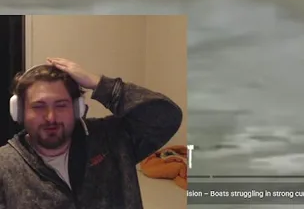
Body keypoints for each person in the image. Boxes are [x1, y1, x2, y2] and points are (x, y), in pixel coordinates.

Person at [0, 58, 184, 208]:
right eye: (39, 106)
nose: (51, 117)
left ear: (77, 109)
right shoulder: (5, 166)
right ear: (19, 112)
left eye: (61, 105)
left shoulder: (111, 139)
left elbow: (167, 117)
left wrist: (101, 85)